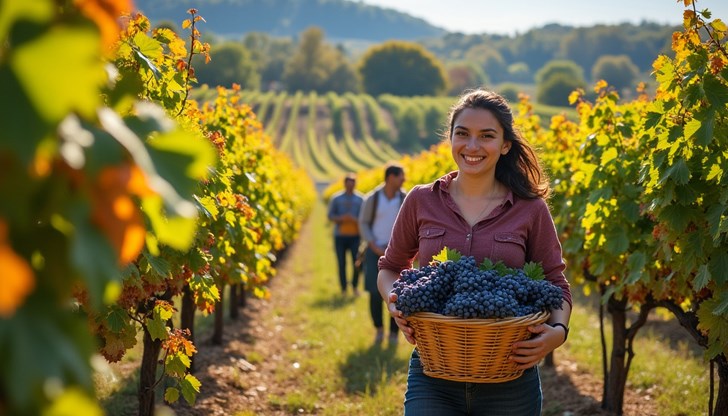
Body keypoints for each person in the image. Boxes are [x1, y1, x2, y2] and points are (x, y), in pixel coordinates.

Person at [377, 88, 572, 415]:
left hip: (510, 378)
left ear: (505, 145)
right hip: (432, 372)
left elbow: (556, 282)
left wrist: (558, 332)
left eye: (487, 136)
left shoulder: (530, 209)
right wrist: (395, 303)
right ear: (450, 138)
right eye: (462, 134)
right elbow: (390, 267)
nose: (472, 146)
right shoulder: (421, 200)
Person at [358, 163, 407, 346]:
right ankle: (379, 329)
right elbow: (363, 223)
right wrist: (372, 243)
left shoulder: (405, 198)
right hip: (374, 251)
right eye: (401, 176)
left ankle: (394, 333)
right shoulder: (373, 198)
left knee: (398, 293)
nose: (404, 180)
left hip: (398, 253)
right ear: (390, 178)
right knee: (373, 290)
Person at [328, 173, 364, 296]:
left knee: (357, 262)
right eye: (348, 184)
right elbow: (330, 215)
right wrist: (341, 218)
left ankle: (354, 286)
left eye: (352, 184)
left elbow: (365, 217)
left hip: (355, 236)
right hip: (340, 236)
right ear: (344, 184)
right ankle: (343, 288)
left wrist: (355, 219)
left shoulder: (361, 199)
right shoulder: (336, 198)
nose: (350, 186)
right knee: (341, 263)